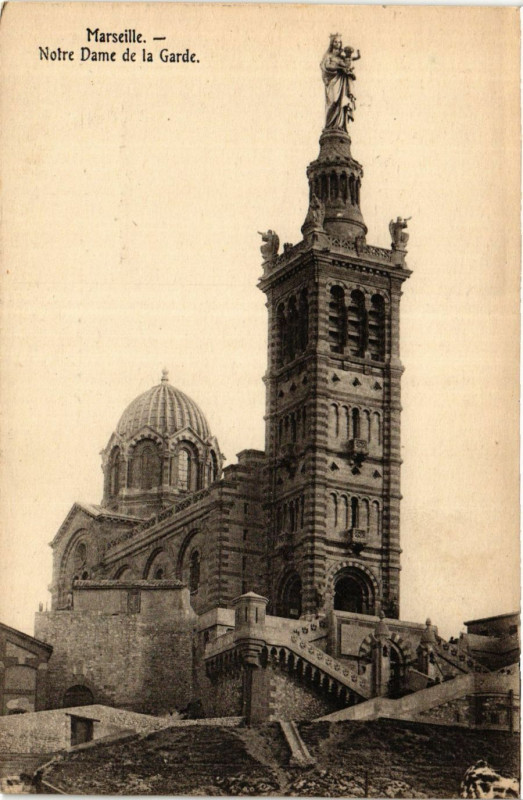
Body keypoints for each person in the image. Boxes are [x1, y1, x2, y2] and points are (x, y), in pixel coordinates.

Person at [320, 35, 360, 132]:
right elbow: (326, 66)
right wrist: (340, 68)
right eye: (335, 42)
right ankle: (329, 126)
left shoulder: (342, 57)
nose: (337, 44)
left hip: (342, 82)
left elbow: (348, 64)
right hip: (332, 81)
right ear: (332, 43)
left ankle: (340, 125)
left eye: (339, 42)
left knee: (342, 103)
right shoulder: (328, 56)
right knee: (333, 102)